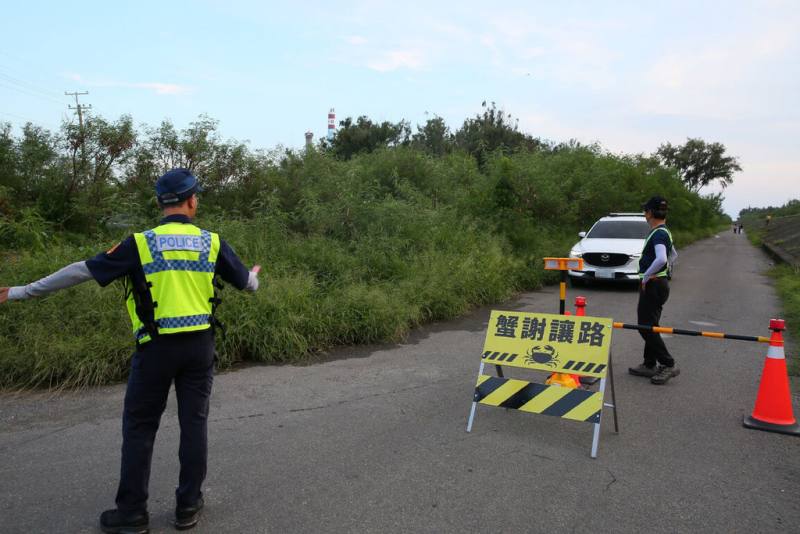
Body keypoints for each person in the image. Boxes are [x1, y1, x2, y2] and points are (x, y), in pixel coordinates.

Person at [0, 168, 261, 533]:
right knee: (194, 424)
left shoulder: (139, 244)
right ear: (191, 201)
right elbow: (248, 285)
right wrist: (254, 275)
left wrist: (22, 291)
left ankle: (133, 513)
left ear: (160, 204)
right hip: (199, 348)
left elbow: (81, 271)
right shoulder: (212, 243)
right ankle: (188, 506)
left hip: (155, 349)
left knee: (140, 428)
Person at [628, 195, 679, 385]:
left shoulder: (658, 234)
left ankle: (668, 363)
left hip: (653, 284)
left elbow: (662, 259)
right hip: (659, 283)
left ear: (650, 212)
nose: (645, 213)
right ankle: (649, 364)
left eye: (645, 210)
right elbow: (673, 255)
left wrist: (649, 275)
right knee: (651, 325)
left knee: (645, 326)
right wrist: (662, 273)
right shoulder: (663, 231)